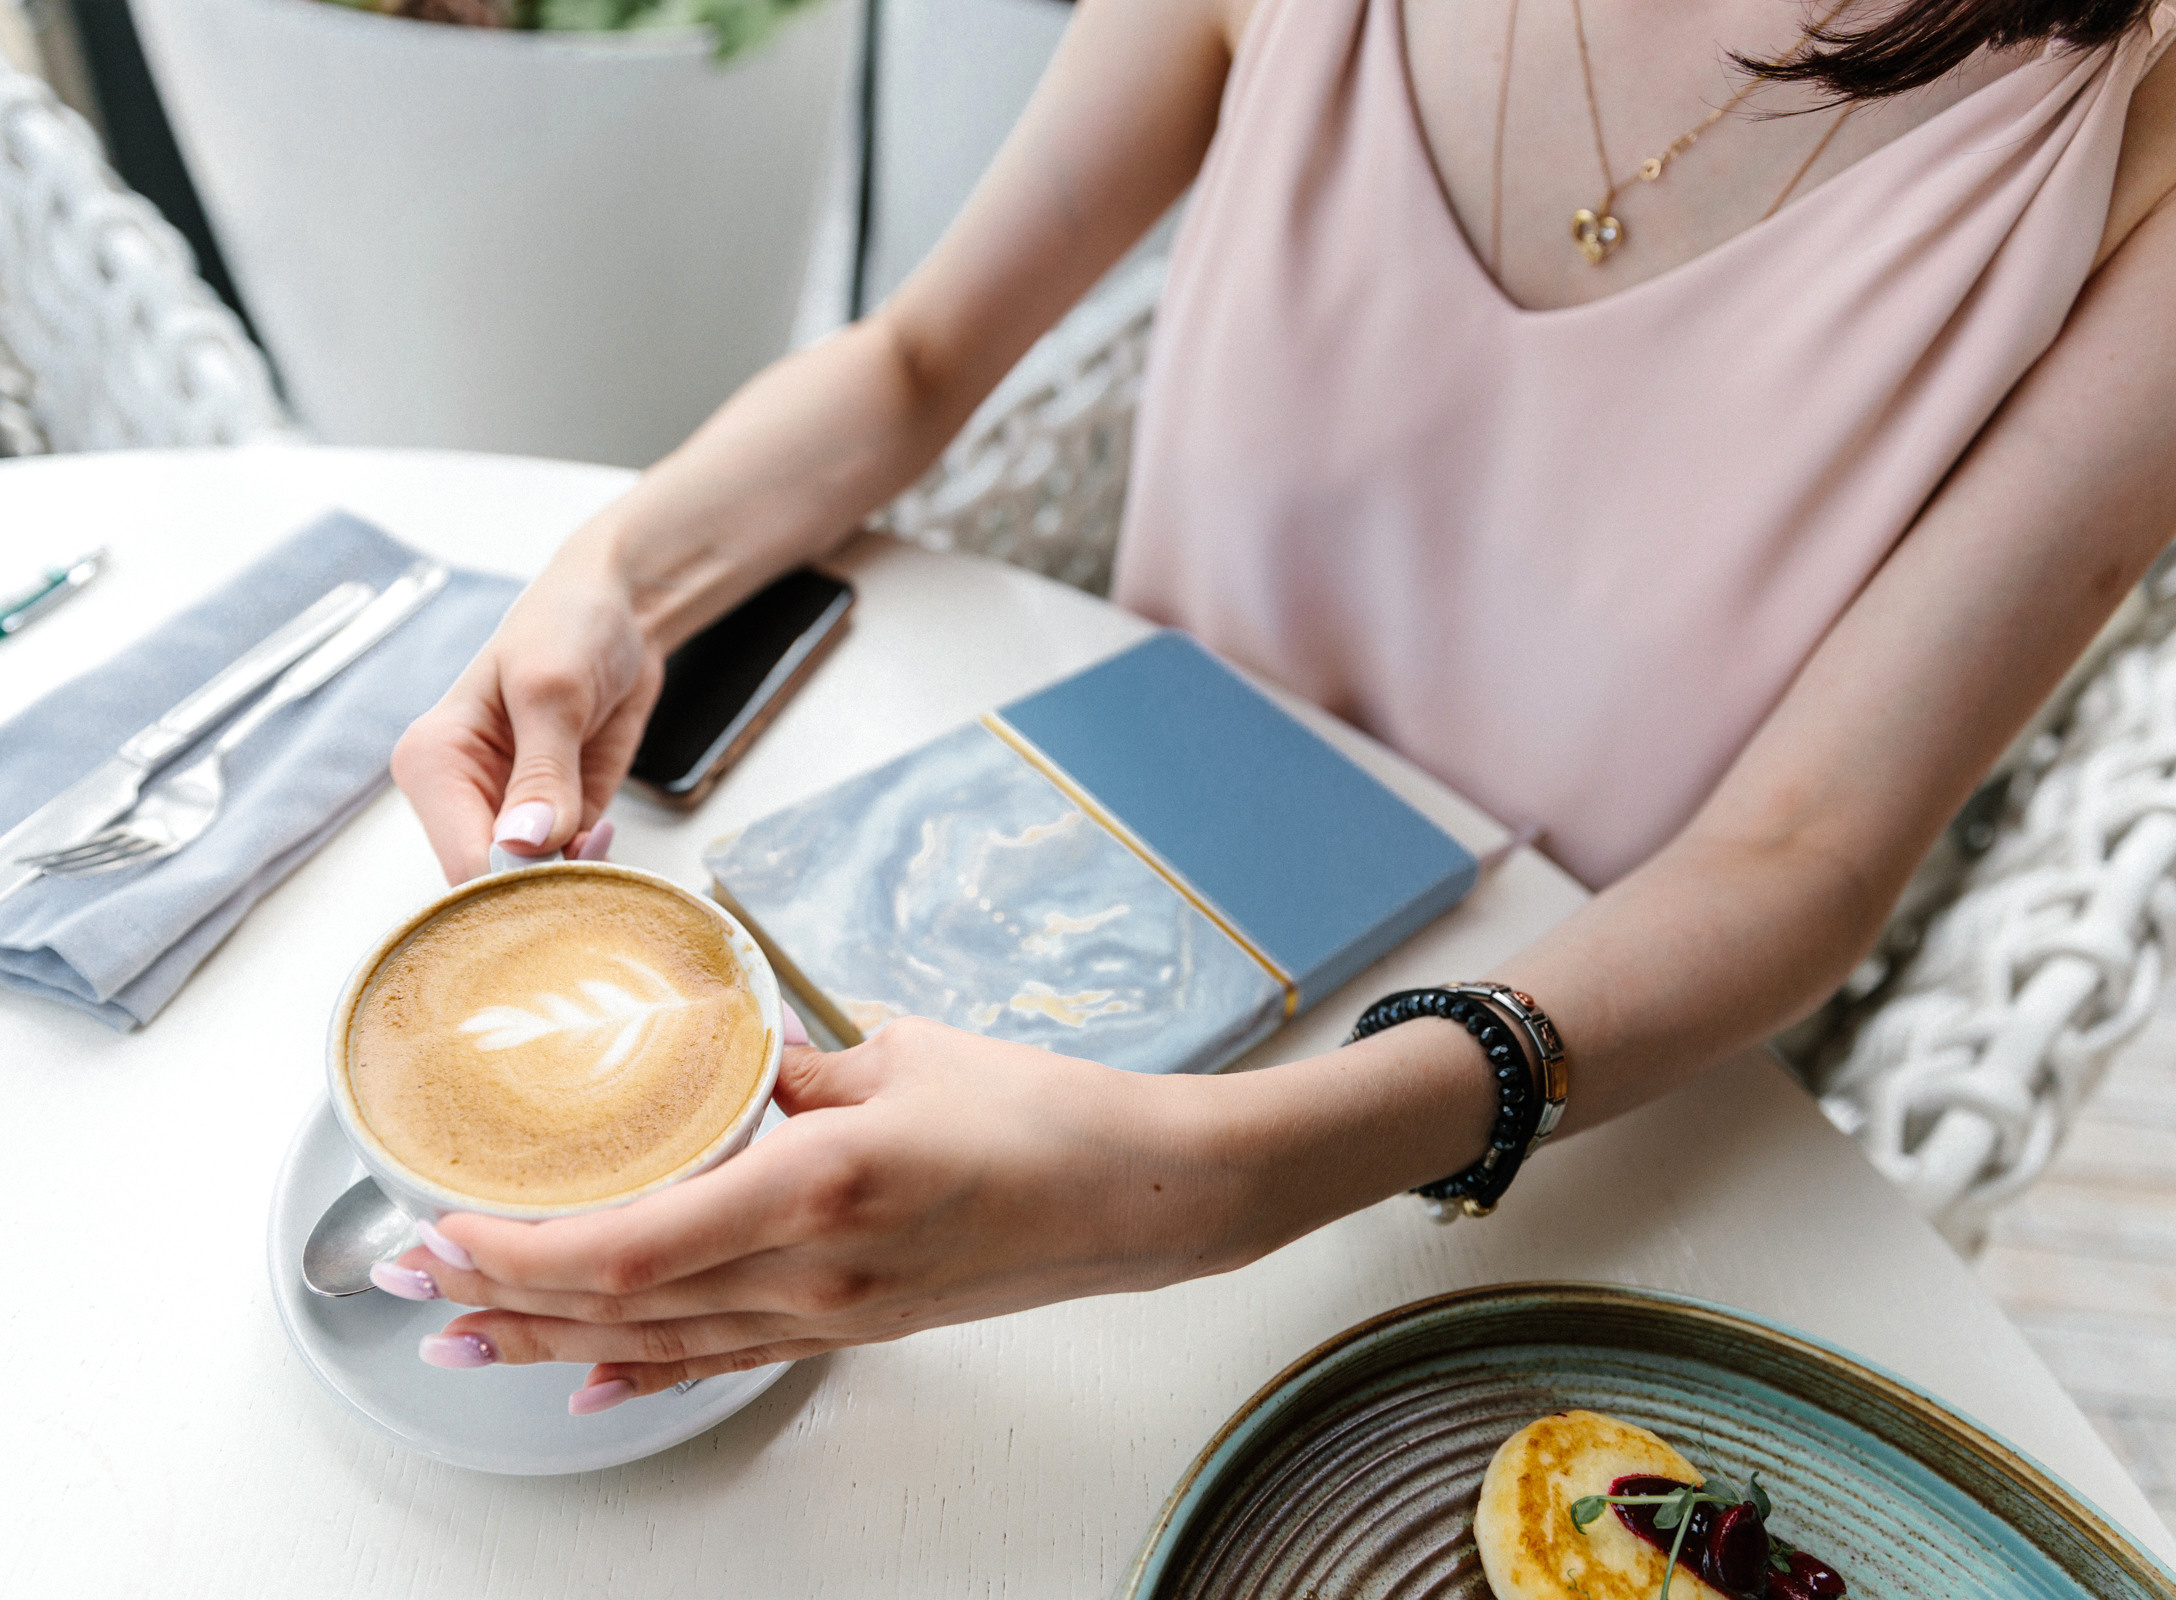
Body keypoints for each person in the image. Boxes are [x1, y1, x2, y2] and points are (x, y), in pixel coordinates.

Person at [380, 0, 2176, 1413]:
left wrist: (1220, 1181)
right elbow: (920, 361)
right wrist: (620, 570)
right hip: (1059, 918)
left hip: (1519, 1154)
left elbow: (1808, 859)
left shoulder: (2134, 148)